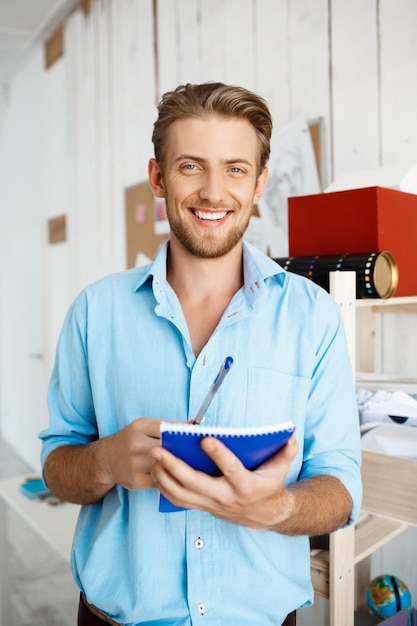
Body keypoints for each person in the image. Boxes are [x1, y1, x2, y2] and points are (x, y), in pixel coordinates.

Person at [40, 82, 362, 626]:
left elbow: (341, 485)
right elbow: (56, 466)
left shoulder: (314, 317)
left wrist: (274, 507)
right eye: (191, 166)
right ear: (158, 178)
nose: (214, 192)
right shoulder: (95, 312)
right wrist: (106, 461)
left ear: (259, 183)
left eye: (235, 169)